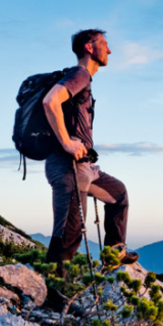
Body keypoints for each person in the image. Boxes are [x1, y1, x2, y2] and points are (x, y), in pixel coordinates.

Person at [42, 28, 138, 271]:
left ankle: (114, 253)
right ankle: (55, 295)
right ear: (89, 47)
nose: (109, 50)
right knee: (69, 231)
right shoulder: (80, 75)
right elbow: (50, 101)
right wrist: (66, 141)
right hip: (67, 166)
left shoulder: (83, 79)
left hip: (84, 166)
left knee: (118, 194)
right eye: (104, 43)